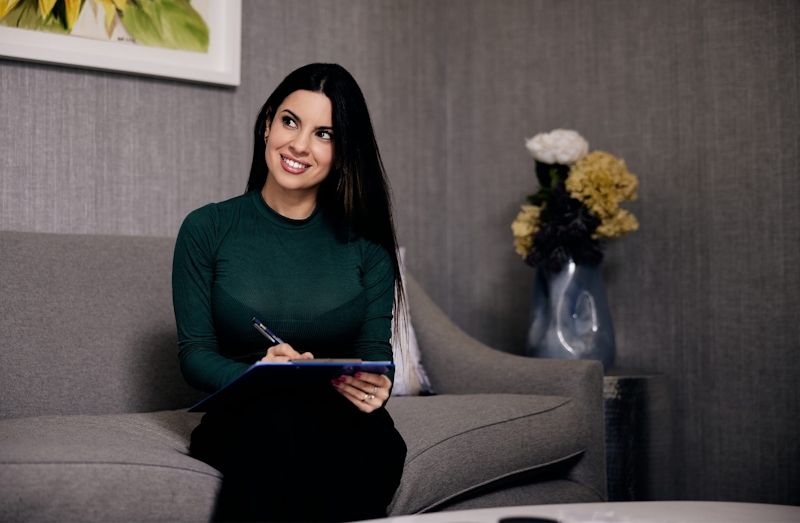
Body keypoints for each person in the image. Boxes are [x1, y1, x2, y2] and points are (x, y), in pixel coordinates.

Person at [172, 63, 407, 522]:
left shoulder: (369, 245)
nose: (299, 145)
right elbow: (195, 356)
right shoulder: (207, 228)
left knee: (371, 443)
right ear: (267, 124)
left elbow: (375, 354)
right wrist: (258, 371)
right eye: (290, 121)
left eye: (324, 134)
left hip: (339, 414)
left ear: (343, 151)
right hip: (247, 413)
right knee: (283, 425)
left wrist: (378, 386)